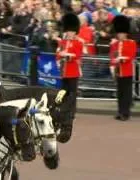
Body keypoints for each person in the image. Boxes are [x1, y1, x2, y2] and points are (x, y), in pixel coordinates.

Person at [56, 13, 83, 142]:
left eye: (72, 31)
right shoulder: (62, 42)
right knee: (64, 93)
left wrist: (66, 54)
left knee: (73, 93)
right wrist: (60, 54)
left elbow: (77, 56)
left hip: (73, 72)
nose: (70, 33)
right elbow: (58, 55)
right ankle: (64, 111)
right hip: (64, 72)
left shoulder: (78, 43)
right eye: (68, 31)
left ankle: (72, 113)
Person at [109, 15, 137, 121]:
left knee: (127, 93)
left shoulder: (131, 43)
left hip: (127, 71)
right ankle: (120, 111)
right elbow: (112, 55)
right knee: (120, 93)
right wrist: (112, 66)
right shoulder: (115, 44)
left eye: (121, 33)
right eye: (119, 33)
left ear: (126, 33)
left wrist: (120, 59)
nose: (120, 35)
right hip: (118, 71)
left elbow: (131, 56)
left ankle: (126, 113)